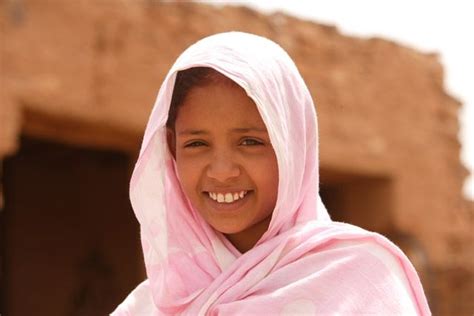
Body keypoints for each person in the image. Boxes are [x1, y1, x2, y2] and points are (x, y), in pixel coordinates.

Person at [111, 32, 430, 315]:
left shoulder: (359, 279)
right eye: (197, 143)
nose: (222, 172)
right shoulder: (151, 306)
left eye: (250, 142)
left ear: (291, 147)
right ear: (171, 150)